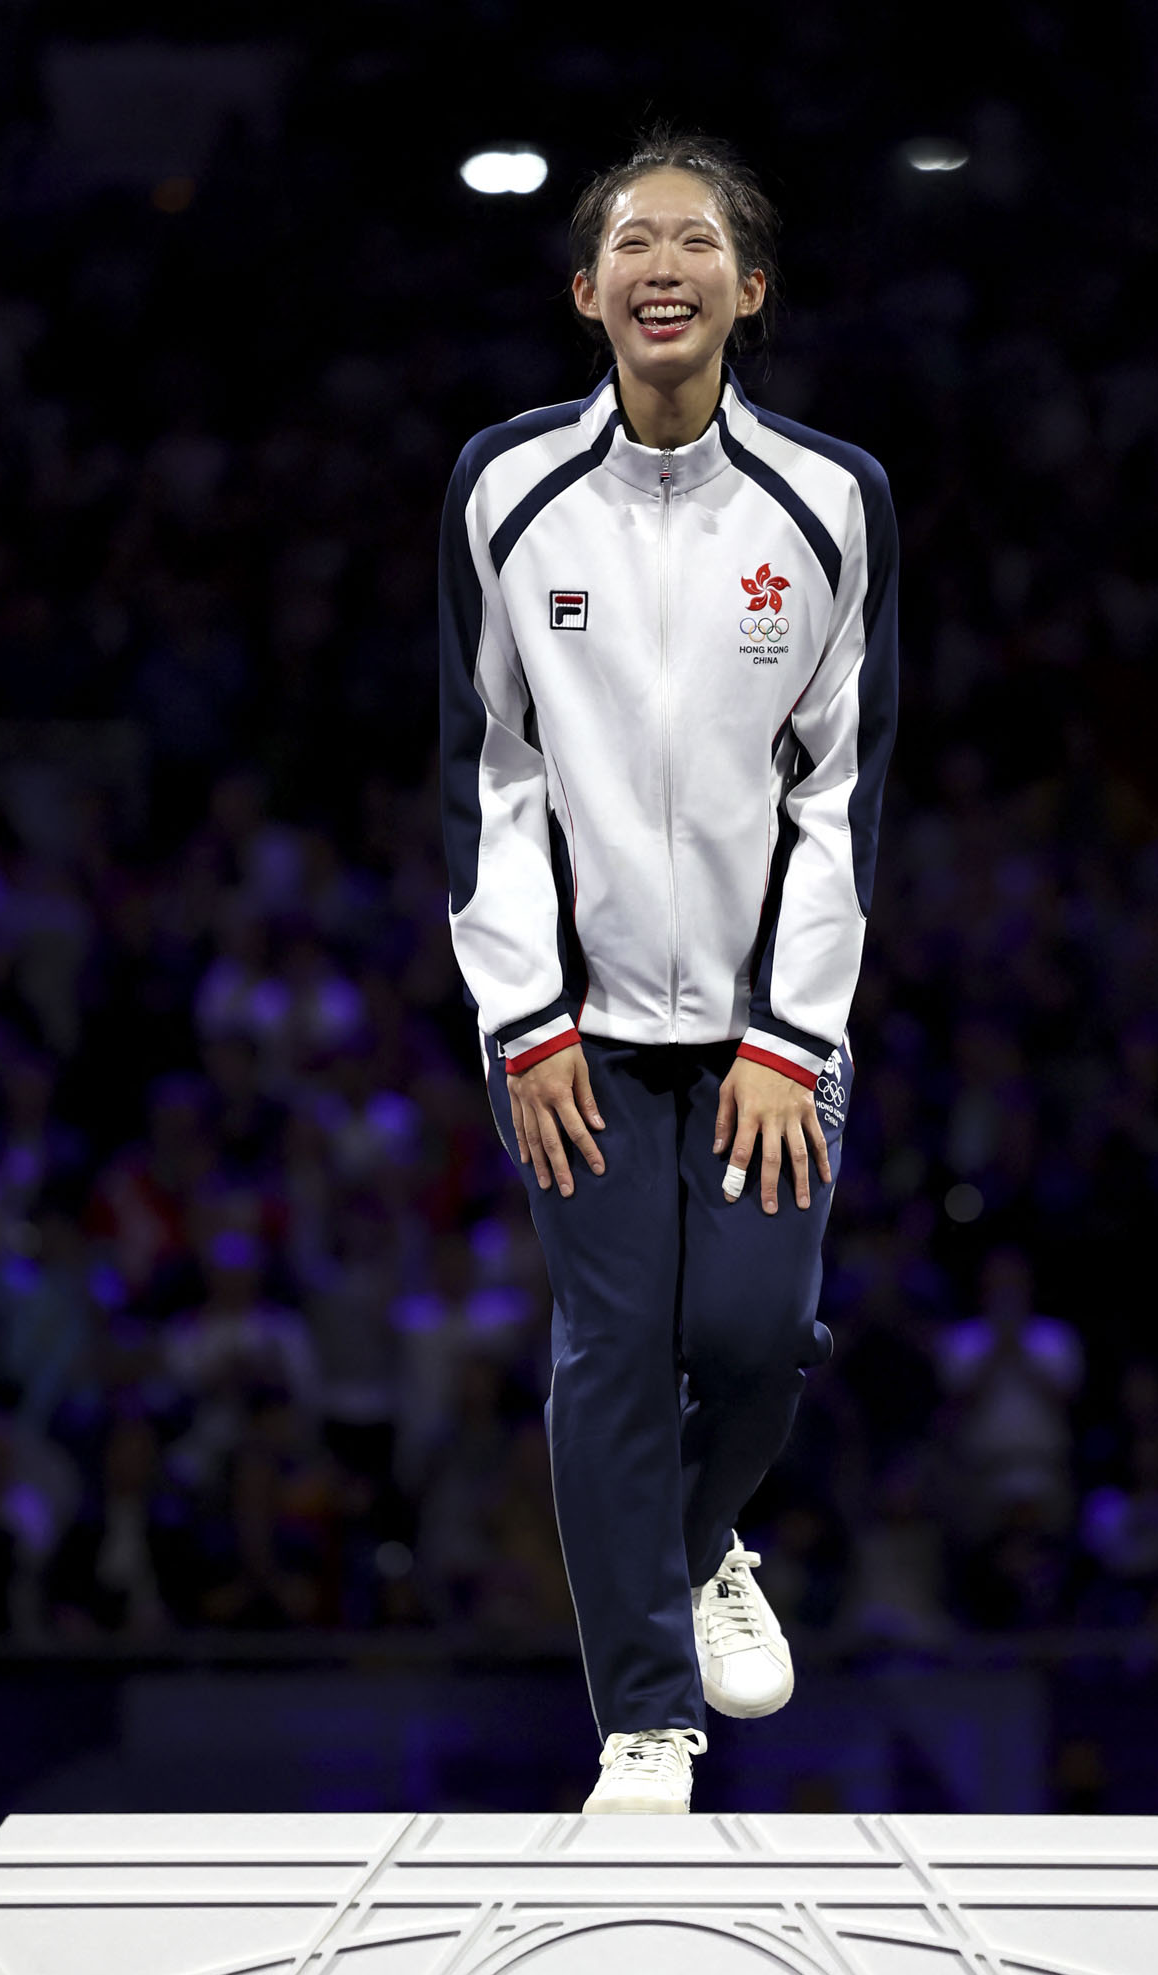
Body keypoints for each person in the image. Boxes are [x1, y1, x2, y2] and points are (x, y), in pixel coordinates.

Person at [438, 125, 897, 1812]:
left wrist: (795, 1036)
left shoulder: (832, 502)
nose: (664, 263)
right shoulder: (507, 490)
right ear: (587, 292)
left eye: (697, 241)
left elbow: (844, 787)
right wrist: (524, 1016)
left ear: (747, 291)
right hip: (580, 1032)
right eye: (633, 240)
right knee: (612, 1349)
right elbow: (483, 768)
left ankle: (701, 1549)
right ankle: (646, 1718)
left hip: (768, 1031)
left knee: (765, 1337)